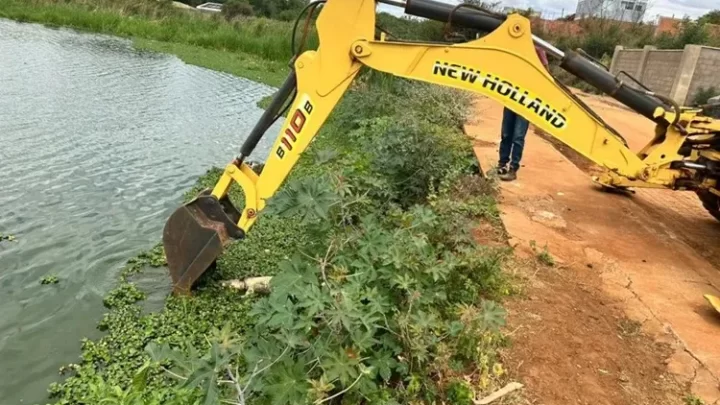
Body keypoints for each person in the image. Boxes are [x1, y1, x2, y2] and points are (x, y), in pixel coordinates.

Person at [494, 46, 550, 181]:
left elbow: (546, 72)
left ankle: (513, 169)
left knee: (518, 136)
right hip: (511, 97)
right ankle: (502, 164)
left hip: (527, 101)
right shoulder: (513, 48)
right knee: (506, 133)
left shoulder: (537, 49)